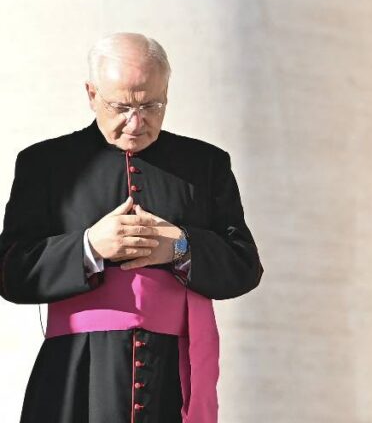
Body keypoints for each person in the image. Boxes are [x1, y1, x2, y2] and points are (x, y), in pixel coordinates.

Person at [0, 33, 263, 423]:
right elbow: (11, 273)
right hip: (76, 376)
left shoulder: (205, 164)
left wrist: (180, 248)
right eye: (121, 106)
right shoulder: (45, 164)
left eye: (152, 105)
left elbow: (244, 266)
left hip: (171, 377)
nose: (136, 123)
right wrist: (89, 247)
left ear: (167, 93)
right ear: (92, 94)